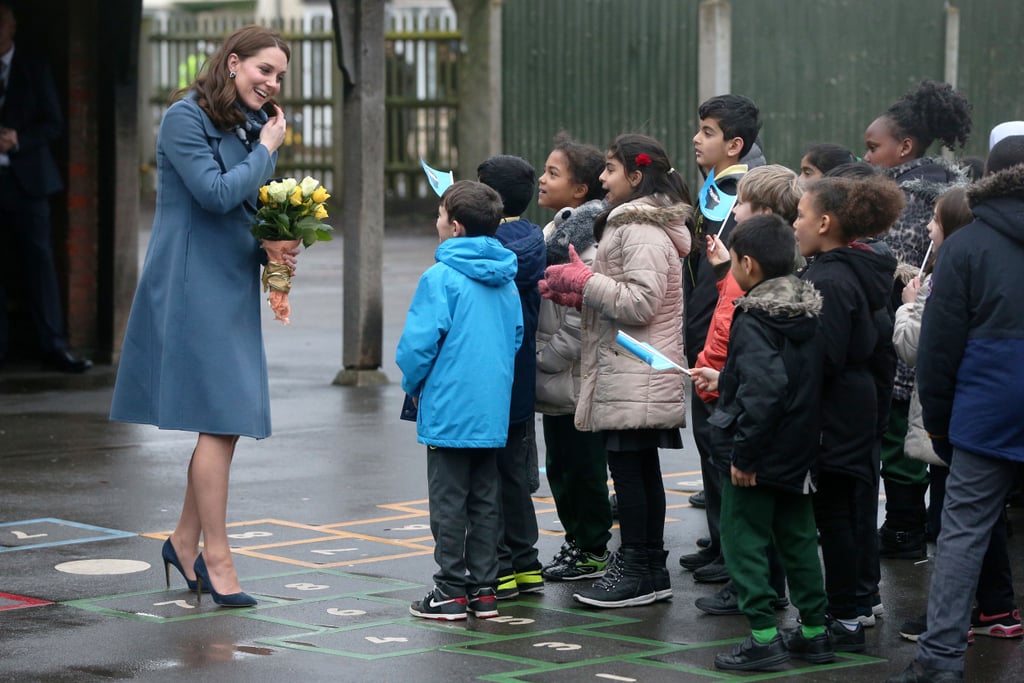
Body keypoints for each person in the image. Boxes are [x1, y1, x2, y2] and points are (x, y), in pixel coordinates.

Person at [110, 26, 291, 607]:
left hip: (231, 279)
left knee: (225, 419)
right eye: (264, 69)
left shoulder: (244, 123)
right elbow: (213, 194)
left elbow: (244, 205)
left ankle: (184, 541)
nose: (272, 82)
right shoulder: (184, 118)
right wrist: (267, 150)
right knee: (219, 416)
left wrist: (276, 241)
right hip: (191, 281)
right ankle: (216, 556)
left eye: (280, 76)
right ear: (233, 63)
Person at [886, 136, 1024, 683]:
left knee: (962, 531)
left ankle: (939, 660)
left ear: (988, 177)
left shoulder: (966, 247)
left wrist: (941, 426)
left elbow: (938, 351)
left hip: (988, 405)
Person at [541, 133, 692, 608]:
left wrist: (586, 281)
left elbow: (641, 302)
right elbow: (622, 292)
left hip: (636, 369)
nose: (603, 179)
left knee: (631, 475)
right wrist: (580, 292)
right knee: (636, 472)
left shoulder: (640, 230)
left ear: (636, 175)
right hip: (631, 369)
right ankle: (645, 568)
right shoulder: (627, 224)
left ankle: (640, 570)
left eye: (610, 169)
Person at [690, 214, 831, 671]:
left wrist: (744, 454)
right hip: (798, 447)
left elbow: (766, 389)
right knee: (798, 539)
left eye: (731, 262)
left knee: (743, 539)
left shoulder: (752, 316)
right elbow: (786, 378)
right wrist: (727, 375)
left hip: (758, 450)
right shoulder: (807, 310)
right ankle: (813, 631)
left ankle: (763, 637)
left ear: (747, 264)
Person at [396, 180, 524, 621]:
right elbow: (516, 337)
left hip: (450, 406)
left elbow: (417, 347)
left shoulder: (440, 278)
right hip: (491, 409)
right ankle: (484, 589)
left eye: (438, 214)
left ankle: (450, 589)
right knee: (486, 497)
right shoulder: (506, 279)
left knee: (449, 500)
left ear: (453, 227)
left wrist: (413, 384)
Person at [863, 80, 972, 560]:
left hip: (907, 325)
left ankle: (904, 529)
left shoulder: (906, 196)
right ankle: (921, 523)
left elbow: (897, 262)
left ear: (904, 147)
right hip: (939, 326)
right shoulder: (950, 186)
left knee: (899, 432)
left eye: (873, 148)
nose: (866, 157)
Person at [794, 174, 903, 650]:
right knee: (840, 512)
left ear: (824, 221)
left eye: (799, 215)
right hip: (853, 409)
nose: (794, 224)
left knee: (834, 515)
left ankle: (844, 619)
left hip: (836, 414)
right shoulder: (849, 269)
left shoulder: (830, 279)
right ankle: (852, 610)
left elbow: (823, 356)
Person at [690, 164, 803, 617]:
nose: (735, 213)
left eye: (745, 206)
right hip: (720, 383)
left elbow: (750, 359)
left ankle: (754, 594)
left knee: (746, 513)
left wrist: (721, 377)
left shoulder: (764, 303)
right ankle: (750, 580)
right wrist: (723, 270)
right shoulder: (748, 273)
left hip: (728, 394)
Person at [681, 94, 762, 584]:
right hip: (701, 330)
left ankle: (736, 556)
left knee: (721, 444)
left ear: (734, 144)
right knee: (709, 446)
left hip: (722, 336)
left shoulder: (741, 197)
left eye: (707, 131)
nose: (696, 138)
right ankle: (718, 542)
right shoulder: (715, 189)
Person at [533, 133, 614, 583]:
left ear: (581, 190)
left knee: (584, 470)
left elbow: (578, 320)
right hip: (557, 380)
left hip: (575, 377)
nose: (542, 180)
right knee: (562, 469)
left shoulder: (587, 242)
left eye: (552, 173)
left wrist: (544, 357)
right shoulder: (557, 229)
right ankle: (578, 543)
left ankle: (595, 549)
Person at [0, 4, 91, 372]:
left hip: (28, 184)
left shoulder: (33, 68)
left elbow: (54, 124)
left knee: (39, 264)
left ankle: (53, 346)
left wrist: (17, 139)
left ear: (11, 27)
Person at [476, 154, 547, 600]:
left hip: (486, 381)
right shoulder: (535, 237)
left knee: (486, 480)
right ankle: (526, 564)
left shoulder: (482, 250)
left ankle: (497, 567)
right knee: (517, 476)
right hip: (521, 379)